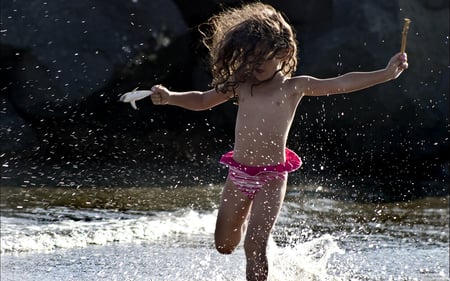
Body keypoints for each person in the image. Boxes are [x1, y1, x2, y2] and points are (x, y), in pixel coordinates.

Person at [149, 2, 408, 280]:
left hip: (272, 178)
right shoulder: (240, 83)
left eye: (261, 58)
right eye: (249, 58)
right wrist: (171, 97)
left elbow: (342, 82)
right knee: (224, 246)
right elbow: (201, 100)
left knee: (254, 246)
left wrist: (385, 73)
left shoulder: (295, 86)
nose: (255, 65)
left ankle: (257, 236)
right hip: (238, 174)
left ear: (283, 53)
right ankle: (247, 221)